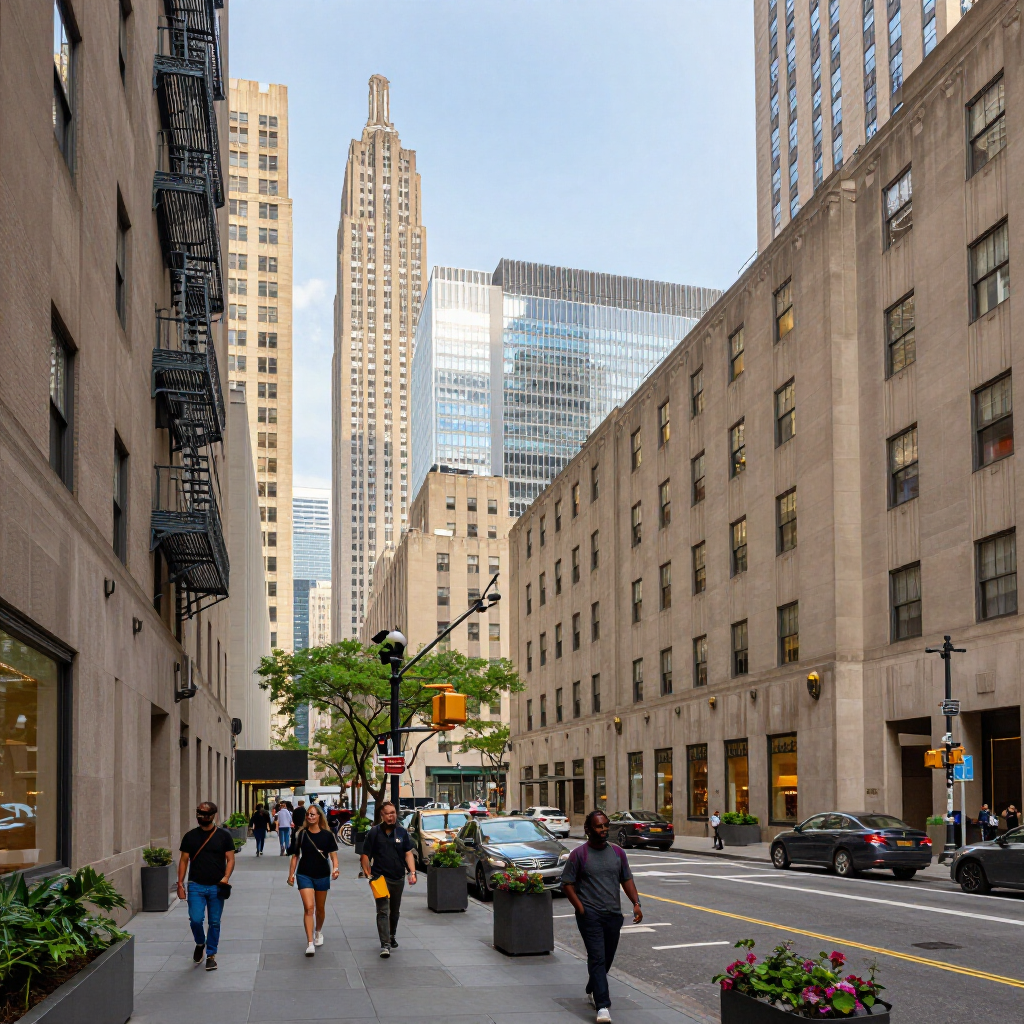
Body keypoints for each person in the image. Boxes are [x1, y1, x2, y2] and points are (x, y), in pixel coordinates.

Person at [561, 810, 643, 1024]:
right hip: (590, 915)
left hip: (613, 915)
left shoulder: (617, 853)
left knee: (606, 958)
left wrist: (636, 903)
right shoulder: (579, 854)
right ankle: (603, 1006)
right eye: (599, 826)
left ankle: (592, 988)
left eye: (606, 825)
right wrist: (580, 908)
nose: (604, 829)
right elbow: (567, 883)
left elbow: (627, 879)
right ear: (589, 830)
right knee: (597, 957)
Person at [176, 801, 235, 971]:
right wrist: (180, 884)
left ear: (213, 816)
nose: (201, 816)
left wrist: (226, 877)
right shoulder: (190, 836)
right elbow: (183, 860)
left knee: (214, 922)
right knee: (195, 920)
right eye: (199, 813)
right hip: (195, 885)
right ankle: (200, 943)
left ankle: (211, 955)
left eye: (205, 814)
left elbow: (230, 859)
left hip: (217, 886)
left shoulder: (224, 836)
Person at [359, 800, 417, 959]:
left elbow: (408, 853)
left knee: (394, 911)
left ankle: (391, 935)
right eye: (388, 813)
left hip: (398, 877)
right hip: (380, 877)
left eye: (393, 813)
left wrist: (412, 871)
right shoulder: (374, 833)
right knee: (383, 910)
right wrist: (367, 873)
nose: (391, 816)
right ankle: (385, 944)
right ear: (382, 815)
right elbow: (365, 855)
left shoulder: (402, 832)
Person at [287, 804, 340, 956]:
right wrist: (291, 874)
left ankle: (318, 931)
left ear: (319, 817)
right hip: (304, 874)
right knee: (309, 907)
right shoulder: (301, 834)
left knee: (320, 909)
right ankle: (310, 943)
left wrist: (335, 868)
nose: (310, 816)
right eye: (308, 814)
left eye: (313, 814)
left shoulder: (327, 835)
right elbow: (295, 856)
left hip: (322, 874)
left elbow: (333, 856)